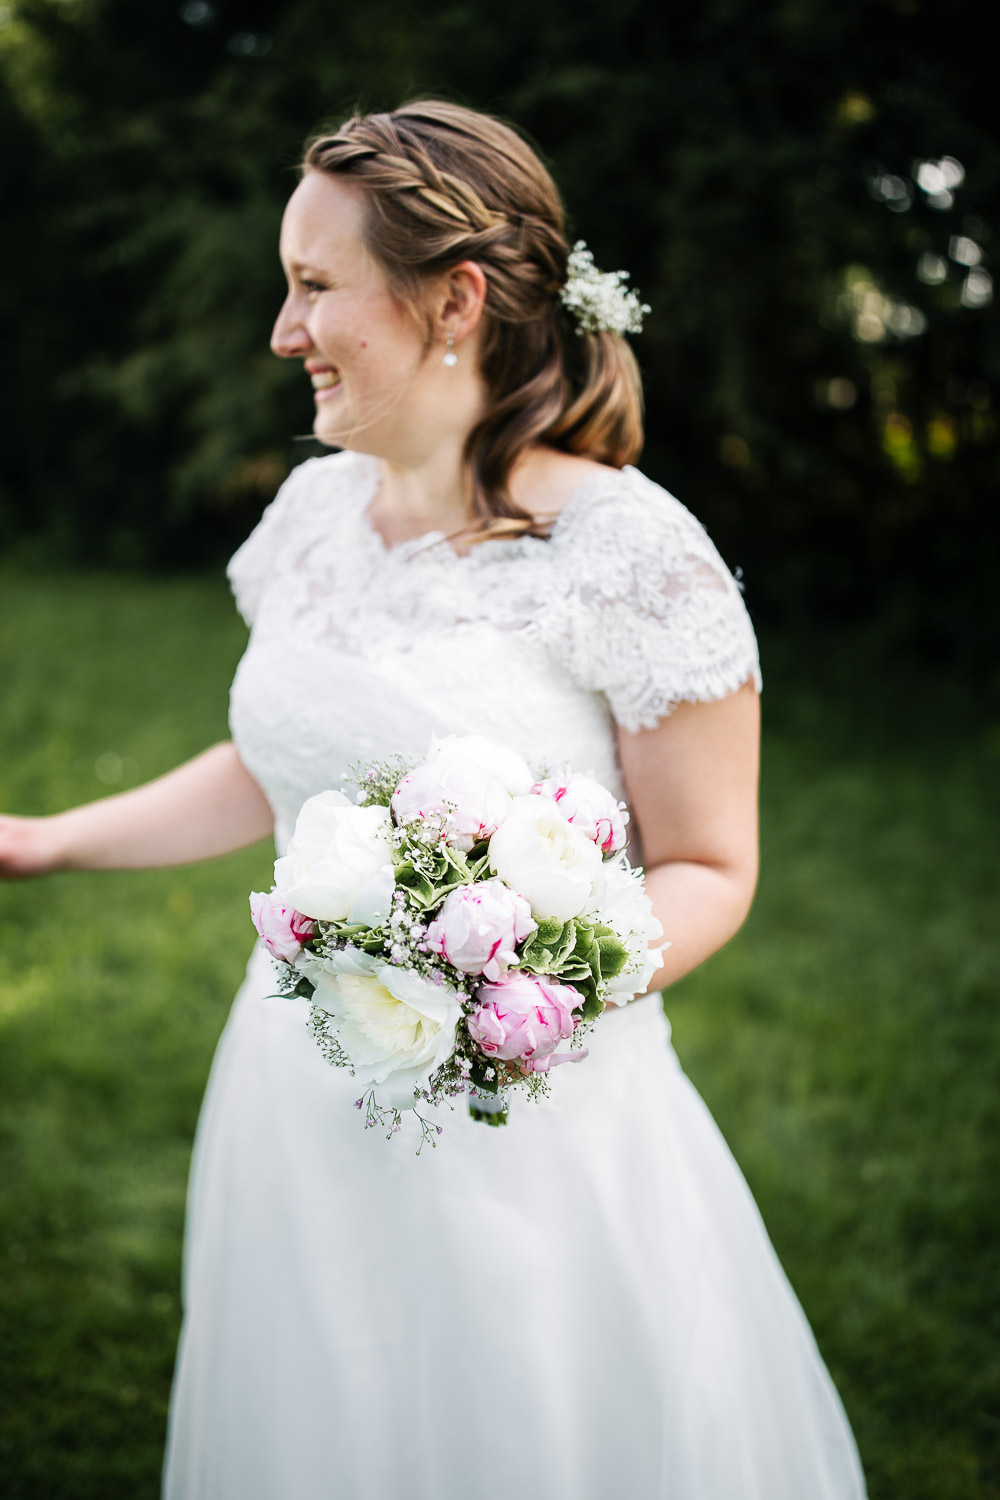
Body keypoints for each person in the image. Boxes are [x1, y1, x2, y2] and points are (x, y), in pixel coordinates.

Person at [0, 100, 867, 1499]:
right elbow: (279, 763)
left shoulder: (631, 557)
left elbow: (710, 864)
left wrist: (515, 1002)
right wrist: (41, 843)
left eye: (314, 287)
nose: (284, 334)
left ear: (452, 299)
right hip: (294, 1081)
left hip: (528, 1116)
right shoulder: (310, 520)